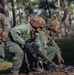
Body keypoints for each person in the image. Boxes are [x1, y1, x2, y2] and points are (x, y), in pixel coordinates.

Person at [0, 3, 9, 70]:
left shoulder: (2, 16)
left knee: (0, 53)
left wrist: (2, 38)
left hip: (0, 37)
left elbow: (6, 28)